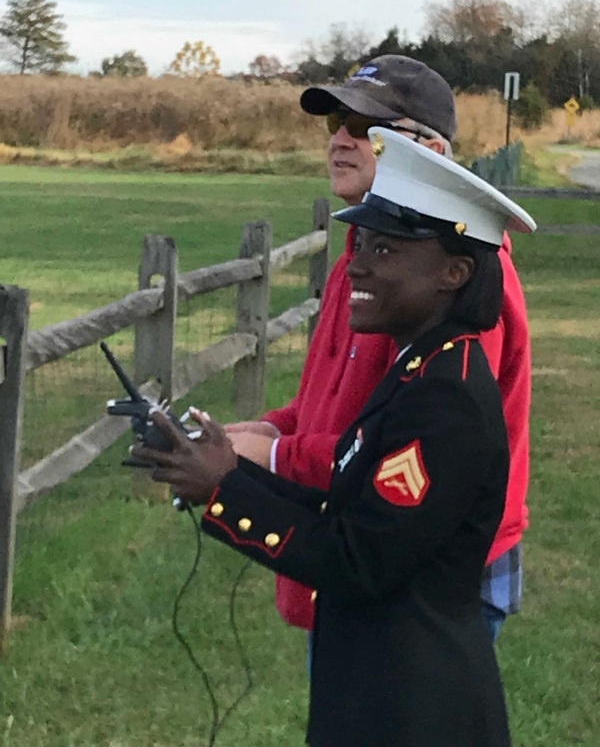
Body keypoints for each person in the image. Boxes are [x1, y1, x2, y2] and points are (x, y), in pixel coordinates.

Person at [132, 127, 536, 746]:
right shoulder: (418, 367)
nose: (360, 266)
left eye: (387, 250)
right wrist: (228, 473)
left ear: (454, 272)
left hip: (415, 708)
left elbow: (356, 558)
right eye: (362, 243)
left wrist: (223, 492)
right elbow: (351, 498)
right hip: (385, 689)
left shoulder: (444, 396)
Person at [225, 55, 531, 642]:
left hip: (426, 568)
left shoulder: (464, 286)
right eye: (335, 122)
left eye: (366, 128)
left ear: (433, 154)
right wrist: (255, 433)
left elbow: (419, 454)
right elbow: (327, 406)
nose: (340, 140)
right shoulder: (361, 261)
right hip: (366, 547)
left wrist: (267, 458)